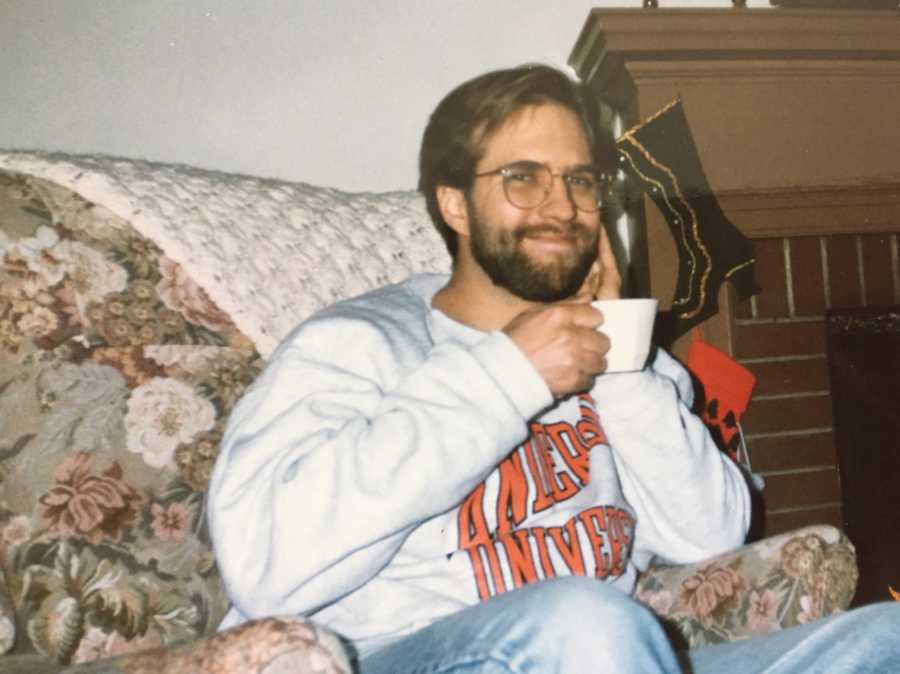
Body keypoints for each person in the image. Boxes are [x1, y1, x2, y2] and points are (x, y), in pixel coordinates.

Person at [208, 64, 900, 673]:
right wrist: (508, 375)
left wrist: (622, 362)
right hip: (407, 656)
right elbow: (265, 566)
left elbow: (710, 535)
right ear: (454, 204)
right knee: (584, 619)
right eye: (523, 178)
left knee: (888, 637)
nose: (562, 205)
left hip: (605, 653)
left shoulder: (628, 362)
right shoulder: (357, 344)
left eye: (579, 180)